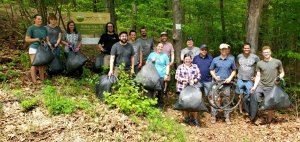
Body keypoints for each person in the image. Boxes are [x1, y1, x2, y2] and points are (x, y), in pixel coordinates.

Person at [251, 46, 284, 124]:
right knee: (253, 98)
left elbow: (282, 72)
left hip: (271, 87)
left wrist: (279, 77)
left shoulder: (277, 62)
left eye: (267, 52)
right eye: (265, 52)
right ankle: (253, 118)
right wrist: (254, 87)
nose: (266, 54)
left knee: (270, 105)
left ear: (270, 52)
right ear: (262, 53)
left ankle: (269, 121)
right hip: (261, 86)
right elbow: (258, 76)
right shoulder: (259, 63)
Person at [209, 43, 237, 125]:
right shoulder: (215, 59)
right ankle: (213, 116)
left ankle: (227, 117)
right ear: (220, 50)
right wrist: (215, 76)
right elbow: (211, 70)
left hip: (226, 84)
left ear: (227, 50)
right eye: (222, 49)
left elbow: (234, 70)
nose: (224, 50)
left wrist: (230, 78)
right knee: (214, 100)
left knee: (226, 100)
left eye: (225, 49)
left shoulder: (231, 60)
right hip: (216, 83)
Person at [175, 54, 201, 126]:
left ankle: (195, 119)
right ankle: (186, 118)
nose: (187, 60)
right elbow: (176, 76)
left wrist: (195, 80)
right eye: (186, 59)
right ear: (184, 59)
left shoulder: (195, 66)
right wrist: (183, 80)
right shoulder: (180, 67)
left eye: (189, 59)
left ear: (191, 59)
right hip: (183, 88)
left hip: (193, 88)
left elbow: (199, 75)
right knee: (185, 103)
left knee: (195, 103)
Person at [25, 14, 49, 83]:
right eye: (38, 19)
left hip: (42, 48)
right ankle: (34, 81)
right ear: (34, 20)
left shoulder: (44, 28)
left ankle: (42, 80)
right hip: (34, 48)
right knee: (34, 64)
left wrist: (47, 43)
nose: (40, 20)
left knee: (41, 64)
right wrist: (35, 39)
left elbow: (47, 39)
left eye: (41, 19)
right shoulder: (31, 28)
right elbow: (27, 39)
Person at [236, 43, 259, 114]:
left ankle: (249, 110)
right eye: (245, 48)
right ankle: (240, 110)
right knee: (240, 95)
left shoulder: (255, 57)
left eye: (248, 48)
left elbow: (259, 67)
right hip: (240, 78)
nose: (246, 49)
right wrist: (238, 71)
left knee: (250, 95)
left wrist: (256, 76)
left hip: (249, 80)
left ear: (250, 48)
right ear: (243, 49)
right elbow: (237, 63)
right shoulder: (239, 56)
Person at [147, 42, 170, 108]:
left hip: (161, 76)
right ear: (156, 47)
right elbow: (147, 63)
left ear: (163, 48)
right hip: (152, 76)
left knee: (160, 91)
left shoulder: (165, 55)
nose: (160, 48)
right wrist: (152, 61)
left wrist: (166, 74)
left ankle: (160, 105)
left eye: (161, 47)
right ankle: (151, 105)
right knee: (151, 90)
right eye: (159, 46)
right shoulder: (152, 54)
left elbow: (167, 65)